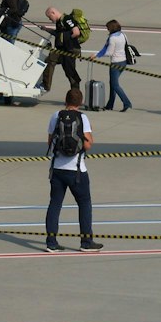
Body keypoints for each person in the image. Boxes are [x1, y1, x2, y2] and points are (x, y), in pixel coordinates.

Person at [45, 87, 102, 251]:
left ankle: (51, 243)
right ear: (81, 102)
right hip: (77, 170)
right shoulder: (83, 118)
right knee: (84, 203)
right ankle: (86, 242)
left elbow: (50, 142)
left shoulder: (55, 116)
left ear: (66, 100)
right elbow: (88, 144)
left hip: (57, 169)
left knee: (55, 204)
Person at [38, 6, 83, 94]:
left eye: (50, 17)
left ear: (53, 13)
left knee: (70, 71)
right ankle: (46, 85)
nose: (50, 20)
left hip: (70, 49)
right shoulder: (60, 22)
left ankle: (75, 93)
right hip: (63, 50)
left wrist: (67, 40)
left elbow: (76, 32)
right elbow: (58, 34)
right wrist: (46, 29)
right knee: (50, 60)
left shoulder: (67, 19)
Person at [95, 19, 135, 113]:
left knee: (115, 85)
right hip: (123, 62)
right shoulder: (123, 34)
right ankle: (110, 104)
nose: (107, 30)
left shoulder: (112, 38)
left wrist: (97, 55)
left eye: (108, 28)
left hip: (115, 63)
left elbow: (109, 52)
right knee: (112, 83)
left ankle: (126, 102)